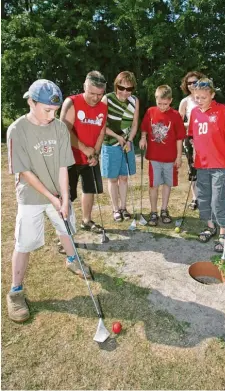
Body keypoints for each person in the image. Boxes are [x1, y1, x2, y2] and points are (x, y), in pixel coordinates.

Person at [6, 79, 88, 324]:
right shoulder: (17, 130)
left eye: (55, 110)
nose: (51, 116)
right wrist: (52, 197)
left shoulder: (59, 128)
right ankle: (16, 291)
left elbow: (63, 165)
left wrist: (64, 197)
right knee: (25, 242)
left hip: (57, 192)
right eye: (46, 110)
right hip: (31, 196)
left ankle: (73, 261)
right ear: (31, 102)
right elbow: (25, 172)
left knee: (67, 228)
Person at [188, 78, 225, 252]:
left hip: (221, 164)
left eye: (203, 97)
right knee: (204, 198)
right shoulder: (195, 113)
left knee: (218, 200)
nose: (199, 100)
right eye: (196, 97)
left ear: (212, 95)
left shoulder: (223, 111)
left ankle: (223, 232)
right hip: (202, 164)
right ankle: (210, 226)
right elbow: (193, 135)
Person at [60, 71, 107, 232]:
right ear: (84, 87)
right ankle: (65, 231)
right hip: (68, 158)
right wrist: (84, 148)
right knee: (67, 195)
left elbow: (101, 131)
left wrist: (95, 153)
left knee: (89, 189)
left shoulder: (103, 106)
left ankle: (86, 221)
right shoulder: (71, 102)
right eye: (92, 93)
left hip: (89, 158)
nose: (96, 98)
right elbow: (63, 130)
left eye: (100, 94)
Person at [139, 85, 186, 226]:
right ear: (156, 99)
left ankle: (164, 210)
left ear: (171, 100)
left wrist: (179, 157)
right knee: (153, 185)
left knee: (167, 184)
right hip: (154, 157)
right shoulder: (150, 112)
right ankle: (153, 212)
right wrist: (142, 138)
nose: (162, 106)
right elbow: (145, 128)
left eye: (165, 104)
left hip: (170, 159)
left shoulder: (176, 115)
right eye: (159, 103)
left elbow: (179, 138)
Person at [101, 71, 139, 221]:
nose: (124, 92)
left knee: (124, 177)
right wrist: (118, 137)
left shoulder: (134, 101)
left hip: (127, 143)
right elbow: (102, 124)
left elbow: (135, 124)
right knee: (113, 179)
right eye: (121, 88)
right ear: (116, 86)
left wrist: (129, 140)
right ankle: (115, 209)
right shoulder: (107, 99)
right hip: (111, 144)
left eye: (129, 89)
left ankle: (124, 208)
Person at [179, 71, 205, 210]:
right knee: (192, 168)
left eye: (195, 82)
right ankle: (195, 198)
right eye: (189, 83)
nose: (192, 85)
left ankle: (207, 196)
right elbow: (178, 122)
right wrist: (191, 123)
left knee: (207, 169)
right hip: (190, 138)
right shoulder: (185, 101)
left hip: (206, 138)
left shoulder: (207, 99)